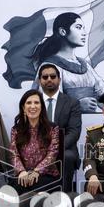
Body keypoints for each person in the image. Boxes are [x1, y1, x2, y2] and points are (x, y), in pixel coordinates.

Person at [30, 12, 104, 114]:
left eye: (83, 28)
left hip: (91, 126)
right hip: (65, 128)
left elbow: (103, 103)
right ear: (63, 31)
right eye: (78, 27)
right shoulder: (50, 67)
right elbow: (46, 107)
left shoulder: (85, 66)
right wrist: (77, 105)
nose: (84, 32)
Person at [36, 63, 82, 193]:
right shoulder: (33, 102)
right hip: (37, 148)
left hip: (64, 149)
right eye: (45, 77)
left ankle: (64, 201)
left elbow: (74, 132)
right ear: (40, 81)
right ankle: (33, 203)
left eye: (53, 76)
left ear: (59, 79)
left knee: (66, 157)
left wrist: (55, 149)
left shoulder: (72, 103)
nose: (49, 79)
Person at [9, 89, 61, 195]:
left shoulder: (52, 128)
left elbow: (52, 153)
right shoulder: (16, 129)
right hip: (23, 174)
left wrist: (37, 171)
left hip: (46, 174)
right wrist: (21, 171)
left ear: (41, 107)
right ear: (23, 108)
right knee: (15, 187)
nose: (33, 106)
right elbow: (14, 154)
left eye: (36, 103)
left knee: (38, 187)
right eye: (29, 103)